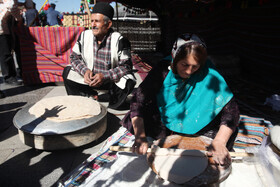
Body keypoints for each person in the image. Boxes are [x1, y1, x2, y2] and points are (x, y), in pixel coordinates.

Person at [121, 33, 240, 166]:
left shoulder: (210, 75)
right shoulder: (163, 71)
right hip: (165, 121)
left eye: (195, 66)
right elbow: (138, 100)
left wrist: (219, 141)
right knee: (146, 124)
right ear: (175, 59)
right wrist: (140, 136)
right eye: (184, 65)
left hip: (198, 122)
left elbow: (231, 111)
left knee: (216, 140)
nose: (189, 71)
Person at [62, 2, 136, 109]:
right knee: (67, 71)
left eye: (97, 21)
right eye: (92, 21)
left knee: (128, 80)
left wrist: (104, 76)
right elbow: (74, 57)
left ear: (108, 24)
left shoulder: (119, 40)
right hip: (89, 78)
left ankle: (114, 100)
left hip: (110, 81)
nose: (93, 25)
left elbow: (126, 66)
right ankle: (88, 95)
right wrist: (85, 71)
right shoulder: (84, 36)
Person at [0, 0, 23, 85]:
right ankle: (9, 77)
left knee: (6, 54)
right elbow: (13, 8)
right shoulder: (9, 2)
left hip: (4, 29)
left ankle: (10, 76)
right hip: (2, 31)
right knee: (5, 54)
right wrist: (19, 19)